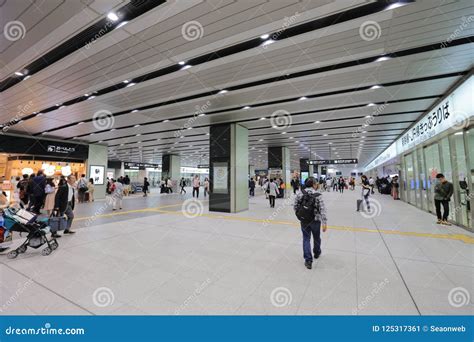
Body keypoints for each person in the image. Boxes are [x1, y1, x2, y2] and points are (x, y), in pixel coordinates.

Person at [293, 177, 328, 270]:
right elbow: (322, 209)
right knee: (316, 237)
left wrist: (300, 215)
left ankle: (308, 260)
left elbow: (295, 206)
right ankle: (316, 253)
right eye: (316, 183)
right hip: (315, 221)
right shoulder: (318, 195)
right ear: (313, 184)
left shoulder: (300, 193)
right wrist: (324, 222)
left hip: (304, 221)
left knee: (306, 238)